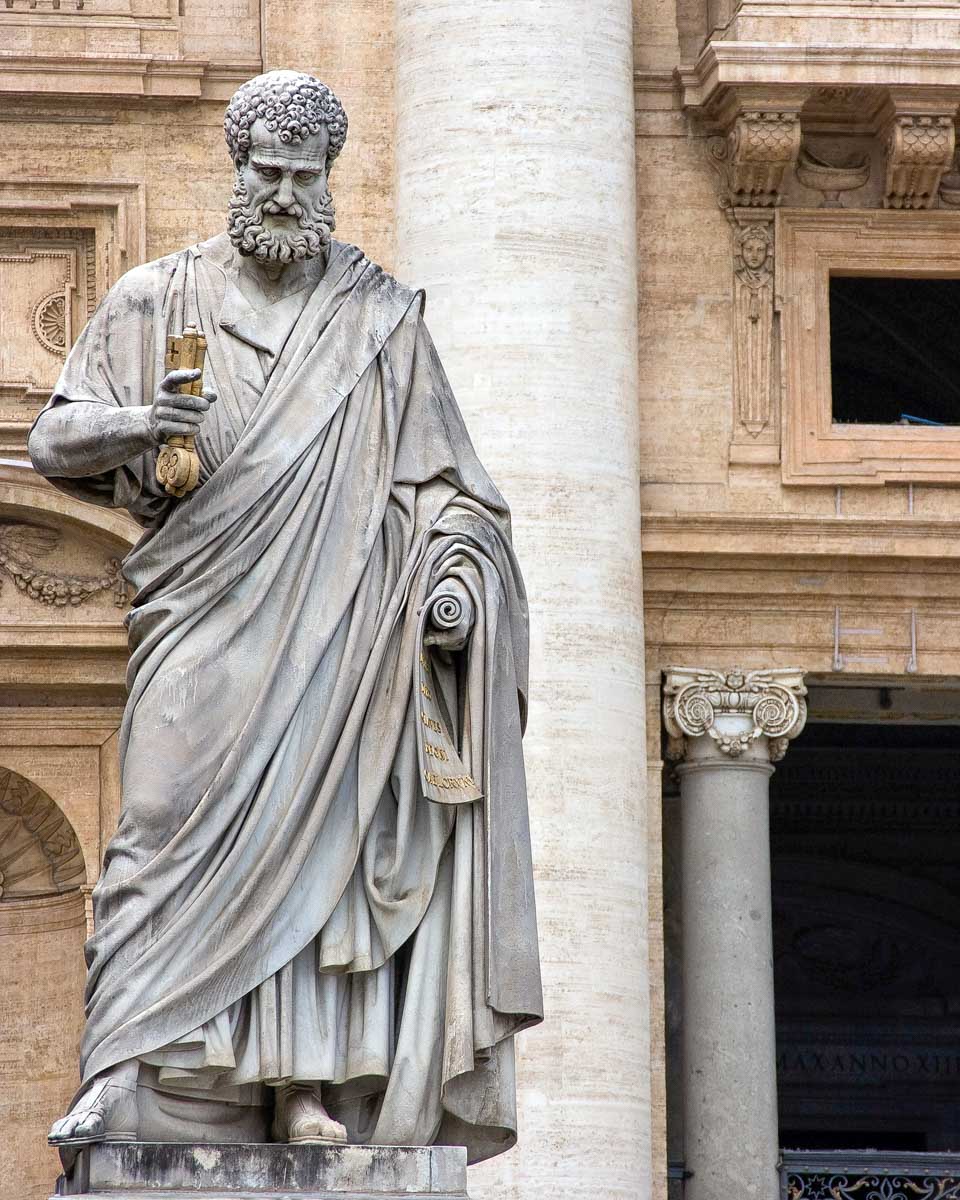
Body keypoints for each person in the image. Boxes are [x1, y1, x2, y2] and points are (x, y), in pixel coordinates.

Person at [29, 69, 541, 1164]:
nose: (283, 193)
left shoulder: (378, 319)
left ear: (328, 179)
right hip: (203, 610)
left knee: (322, 846)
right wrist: (142, 423)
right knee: (157, 825)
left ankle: (303, 1086)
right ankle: (126, 1066)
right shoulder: (156, 297)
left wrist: (455, 577)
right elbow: (52, 442)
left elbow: (454, 490)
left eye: (303, 177)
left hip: (339, 628)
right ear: (238, 168)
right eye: (266, 171)